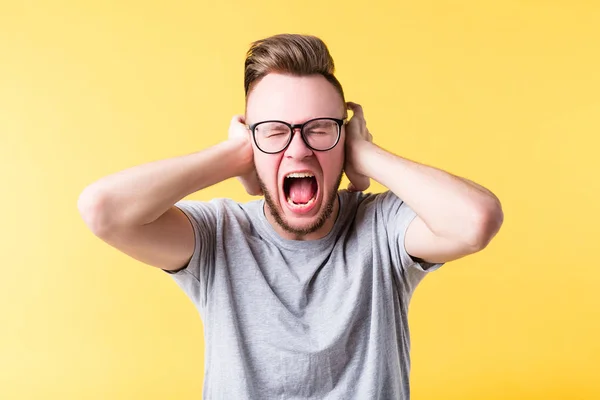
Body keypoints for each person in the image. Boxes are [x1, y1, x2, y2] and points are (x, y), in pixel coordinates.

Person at [78, 34, 503, 400]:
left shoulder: (382, 229)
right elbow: (103, 210)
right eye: (275, 130)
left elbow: (475, 221)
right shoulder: (218, 235)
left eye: (319, 128)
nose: (298, 150)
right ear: (251, 141)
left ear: (344, 138)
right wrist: (231, 157)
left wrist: (367, 154)